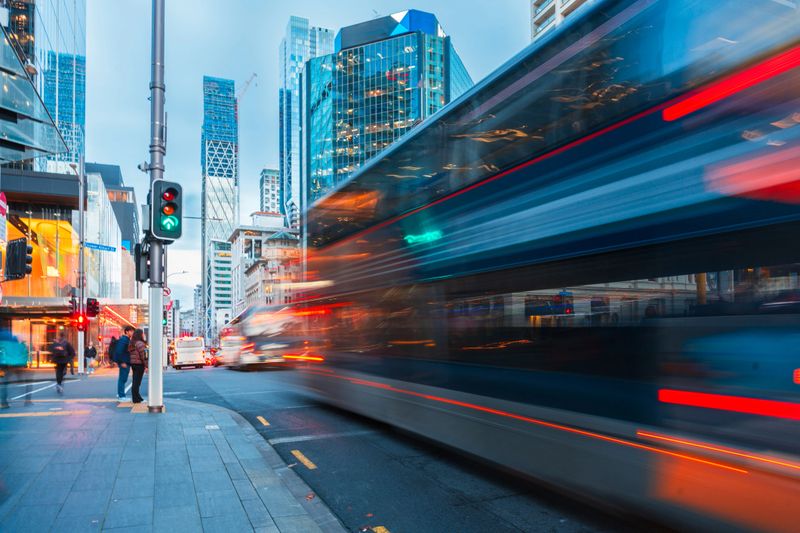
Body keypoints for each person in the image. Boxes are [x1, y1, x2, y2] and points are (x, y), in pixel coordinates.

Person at [113, 326, 134, 401]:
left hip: (126, 362)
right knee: (122, 379)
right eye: (131, 331)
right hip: (124, 363)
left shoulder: (126, 340)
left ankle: (121, 395)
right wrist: (121, 362)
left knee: (123, 379)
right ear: (127, 332)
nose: (132, 333)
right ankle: (121, 396)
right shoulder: (124, 340)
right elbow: (119, 351)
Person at [128, 329, 148, 404]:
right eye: (143, 334)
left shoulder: (132, 343)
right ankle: (136, 399)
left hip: (133, 364)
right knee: (137, 382)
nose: (144, 335)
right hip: (139, 364)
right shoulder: (140, 344)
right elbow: (144, 356)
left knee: (135, 381)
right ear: (140, 335)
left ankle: (136, 398)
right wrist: (146, 366)